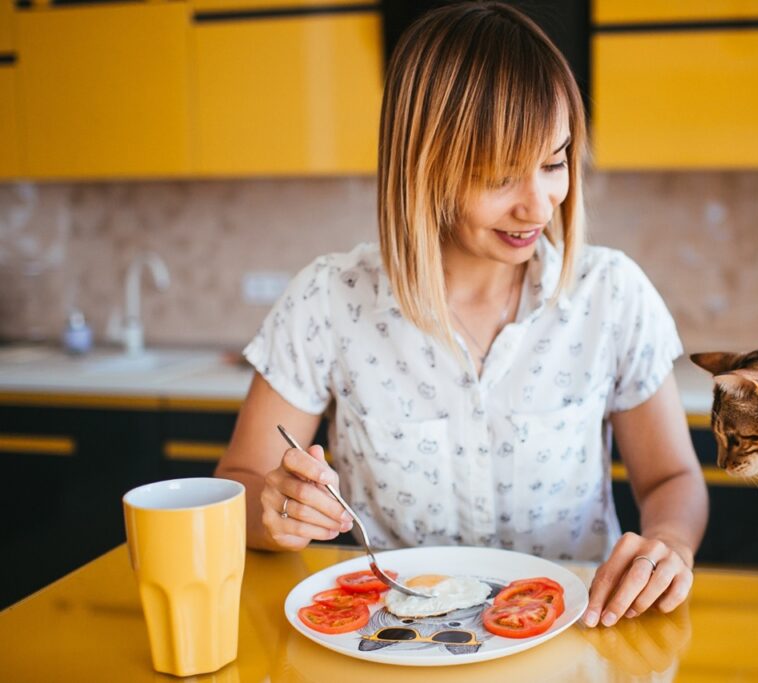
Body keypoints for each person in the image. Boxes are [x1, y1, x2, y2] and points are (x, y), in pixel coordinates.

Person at [215, 1, 708, 630]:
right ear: (424, 170)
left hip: (571, 646)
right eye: (502, 175)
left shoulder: (611, 295)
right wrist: (273, 507)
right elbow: (238, 482)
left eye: (554, 163)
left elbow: (672, 478)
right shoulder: (327, 300)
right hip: (392, 652)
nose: (539, 204)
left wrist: (669, 542)